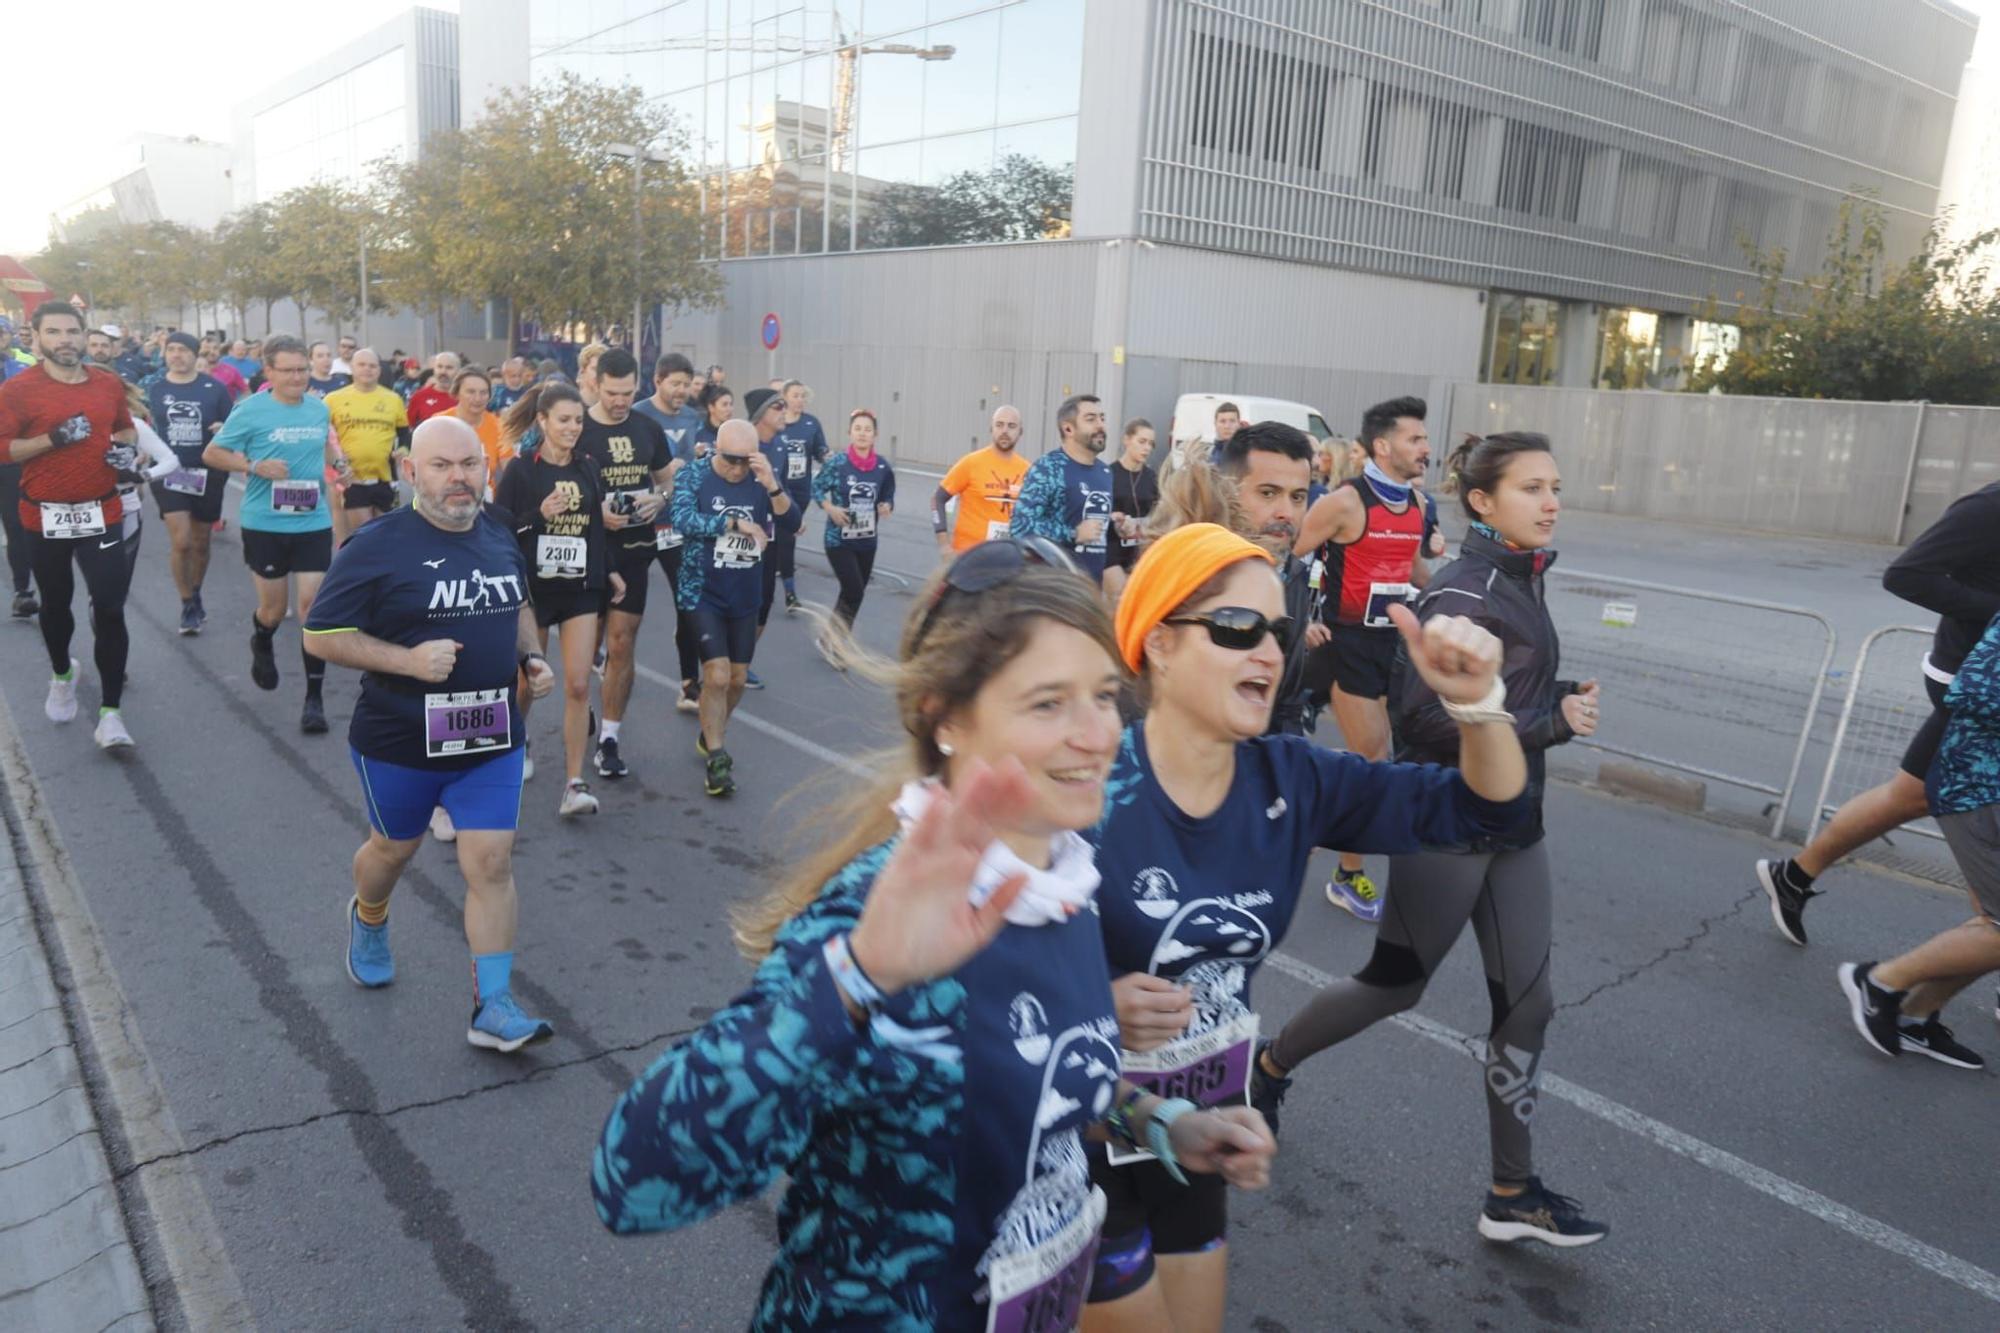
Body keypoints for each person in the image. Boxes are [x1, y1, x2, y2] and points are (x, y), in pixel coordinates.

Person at [592, 545, 1275, 1330]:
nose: (1097, 734)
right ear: (946, 718)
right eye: (1048, 703)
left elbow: (1042, 1086)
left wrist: (1161, 1124)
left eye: (1104, 695)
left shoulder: (1061, 878)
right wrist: (857, 976)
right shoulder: (878, 917)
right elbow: (631, 1181)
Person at [1078, 522, 1529, 1330]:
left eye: (1278, 631)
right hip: (1077, 1131)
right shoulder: (1083, 784)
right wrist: (1092, 1004)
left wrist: (1477, 704)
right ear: (1158, 644)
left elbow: (1489, 810)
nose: (1267, 651)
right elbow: (970, 981)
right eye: (1235, 628)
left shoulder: (1294, 776)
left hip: (1199, 1127)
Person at [1253, 434, 1610, 1253]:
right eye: (1532, 487)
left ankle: (1512, 1191)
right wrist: (1550, 720)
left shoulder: (1519, 575)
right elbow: (1420, 719)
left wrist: (1549, 698)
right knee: (1393, 986)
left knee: (1531, 1004)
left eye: (1555, 485)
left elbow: (1496, 693)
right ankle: (1266, 1067)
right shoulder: (1465, 586)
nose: (1551, 500)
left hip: (1517, 824)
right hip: (1450, 822)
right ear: (1482, 501)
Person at [304, 415, 558, 1052]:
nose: (458, 479)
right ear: (410, 471)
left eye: (469, 464)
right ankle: (369, 916)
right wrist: (408, 661)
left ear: (485, 468)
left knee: (491, 862)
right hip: (399, 738)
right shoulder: (377, 544)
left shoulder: (498, 528)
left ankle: (493, 1006)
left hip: (491, 733)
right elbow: (320, 635)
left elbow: (517, 601)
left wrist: (529, 656)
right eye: (441, 466)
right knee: (392, 852)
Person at [1758, 480, 2000, 946]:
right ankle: (1933, 973)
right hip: (1973, 687)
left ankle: (1793, 876)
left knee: (1911, 795)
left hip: (1978, 688)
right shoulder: (1989, 508)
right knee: (1980, 819)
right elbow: (1906, 574)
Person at [1839, 598, 2000, 1070]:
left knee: (1993, 926)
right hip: (1978, 788)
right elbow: (1971, 691)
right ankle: (1881, 982)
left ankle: (1915, 1013)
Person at [1295, 395, 1439, 922]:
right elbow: (1289, 558)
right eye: (1415, 439)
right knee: (1375, 760)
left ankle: (1309, 810)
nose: (1426, 448)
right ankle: (1347, 874)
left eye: (1424, 438)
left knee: (1377, 759)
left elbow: (1413, 567)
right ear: (1383, 446)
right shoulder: (1344, 503)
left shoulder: (1419, 507)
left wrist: (1460, 588)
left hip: (1392, 647)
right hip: (1343, 644)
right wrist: (1298, 620)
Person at [0, 302, 144, 749]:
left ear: (85, 336)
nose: (66, 340)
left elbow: (125, 429)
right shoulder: (19, 390)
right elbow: (4, 449)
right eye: (55, 332)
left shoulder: (107, 384)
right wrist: (53, 439)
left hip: (101, 511)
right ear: (36, 337)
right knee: (56, 606)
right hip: (44, 515)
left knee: (110, 606)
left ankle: (110, 713)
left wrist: (125, 453)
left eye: (72, 331)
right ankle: (62, 672)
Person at [201, 335, 350, 735]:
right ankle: (262, 637)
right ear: (268, 372)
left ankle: (313, 699)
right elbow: (212, 454)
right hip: (265, 523)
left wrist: (339, 463)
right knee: (272, 608)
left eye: (302, 369)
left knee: (311, 609)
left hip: (313, 521)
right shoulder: (250, 411)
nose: (298, 377)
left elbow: (325, 448)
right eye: (288, 371)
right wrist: (253, 466)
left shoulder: (319, 409)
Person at [494, 382, 623, 818]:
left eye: (578, 421)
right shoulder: (521, 472)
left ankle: (574, 783)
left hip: (579, 589)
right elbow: (500, 531)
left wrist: (609, 571)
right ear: (543, 421)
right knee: (528, 682)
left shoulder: (588, 467)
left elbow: (595, 529)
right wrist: (538, 517)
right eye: (563, 420)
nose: (572, 428)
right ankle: (512, 744)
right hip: (533, 592)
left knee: (579, 684)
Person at [669, 418, 797, 796]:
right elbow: (681, 519)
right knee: (718, 676)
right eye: (730, 459)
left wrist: (772, 484)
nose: (738, 468)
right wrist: (734, 523)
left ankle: (711, 733)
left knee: (738, 680)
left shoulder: (760, 477)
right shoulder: (695, 474)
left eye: (746, 460)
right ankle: (718, 757)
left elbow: (793, 520)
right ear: (715, 450)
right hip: (701, 590)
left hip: (745, 593)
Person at [575, 348, 674, 779]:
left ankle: (610, 737)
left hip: (635, 549)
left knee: (622, 641)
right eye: (613, 392)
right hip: (588, 549)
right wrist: (595, 511)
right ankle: (584, 708)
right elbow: (555, 483)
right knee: (587, 646)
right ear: (595, 383)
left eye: (628, 393)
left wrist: (660, 498)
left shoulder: (648, 428)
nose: (620, 401)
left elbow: (668, 477)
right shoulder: (576, 427)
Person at [1213, 423, 1322, 737]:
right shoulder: (1192, 579)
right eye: (1268, 493)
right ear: (1227, 491)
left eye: (1298, 497)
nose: (1286, 512)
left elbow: (1286, 702)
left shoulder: (1294, 577)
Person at [630, 352, 706, 712]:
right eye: (674, 383)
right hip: (639, 520)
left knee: (688, 601)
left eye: (686, 384)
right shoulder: (639, 414)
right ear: (657, 381)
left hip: (676, 523)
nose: (681, 390)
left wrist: (688, 468)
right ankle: (606, 659)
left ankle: (689, 684)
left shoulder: (693, 417)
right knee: (622, 606)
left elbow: (690, 464)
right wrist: (659, 471)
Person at [147, 331, 233, 634]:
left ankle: (196, 591)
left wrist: (224, 428)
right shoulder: (153, 389)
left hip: (207, 472)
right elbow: (137, 426)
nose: (177, 355)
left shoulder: (216, 389)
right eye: (171, 349)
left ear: (196, 355)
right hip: (169, 471)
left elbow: (235, 430)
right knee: (181, 541)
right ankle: (186, 603)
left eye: (184, 350)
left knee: (200, 542)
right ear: (164, 354)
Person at [1012, 394, 1113, 584]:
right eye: (1091, 419)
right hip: (1055, 590)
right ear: (1068, 428)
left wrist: (1116, 525)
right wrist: (1074, 534)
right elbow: (1020, 527)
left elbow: (1091, 526)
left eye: (1102, 418)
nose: (1100, 425)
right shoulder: (1049, 468)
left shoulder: (1105, 472)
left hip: (1090, 590)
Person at [812, 407, 896, 634]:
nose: (862, 433)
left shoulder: (882, 466)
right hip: (838, 539)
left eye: (868, 429)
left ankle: (833, 636)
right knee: (854, 590)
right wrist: (830, 508)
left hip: (867, 539)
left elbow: (888, 492)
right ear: (850, 432)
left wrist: (886, 505)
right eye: (858, 428)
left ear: (875, 435)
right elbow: (816, 487)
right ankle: (838, 643)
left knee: (854, 593)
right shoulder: (838, 463)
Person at [324, 349, 410, 539]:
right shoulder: (333, 400)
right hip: (353, 478)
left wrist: (403, 449)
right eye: (361, 365)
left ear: (379, 370)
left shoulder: (393, 399)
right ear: (352, 368)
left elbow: (404, 433)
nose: (367, 370)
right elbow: (323, 437)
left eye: (372, 366)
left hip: (386, 478)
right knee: (365, 535)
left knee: (386, 535)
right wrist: (335, 466)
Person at [932, 404, 1028, 554]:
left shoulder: (1028, 471)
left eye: (1011, 426)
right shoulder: (971, 463)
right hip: (969, 557)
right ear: (991, 428)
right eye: (999, 425)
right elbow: (938, 499)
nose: (1004, 431)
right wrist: (944, 545)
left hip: (1008, 559)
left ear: (1020, 431)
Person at [773, 378, 829, 613]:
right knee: (779, 538)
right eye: (795, 395)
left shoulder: (811, 423)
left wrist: (829, 458)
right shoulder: (775, 423)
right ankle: (789, 591)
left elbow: (820, 451)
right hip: (776, 489)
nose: (800, 400)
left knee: (786, 536)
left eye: (803, 396)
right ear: (784, 397)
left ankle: (787, 587)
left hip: (800, 491)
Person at [1105, 417, 1161, 594]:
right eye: (1142, 441)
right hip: (1112, 551)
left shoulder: (1152, 478)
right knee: (1121, 601)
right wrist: (1114, 518)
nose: (1147, 448)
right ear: (1127, 440)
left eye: (1151, 444)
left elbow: (1160, 513)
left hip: (1141, 553)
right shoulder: (1108, 473)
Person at [449, 367, 510, 487]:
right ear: (456, 393)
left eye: (483, 393)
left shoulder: (498, 425)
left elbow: (510, 468)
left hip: (485, 498)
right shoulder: (438, 423)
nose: (478, 399)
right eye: (471, 392)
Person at [407, 351, 461, 425]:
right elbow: (409, 427)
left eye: (449, 368)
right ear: (434, 369)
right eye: (439, 367)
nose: (443, 371)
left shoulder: (466, 397)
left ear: (458, 371)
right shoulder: (419, 397)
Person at [692, 382, 732, 456]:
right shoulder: (697, 433)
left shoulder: (733, 434)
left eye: (731, 404)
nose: (729, 409)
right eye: (724, 405)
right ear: (711, 407)